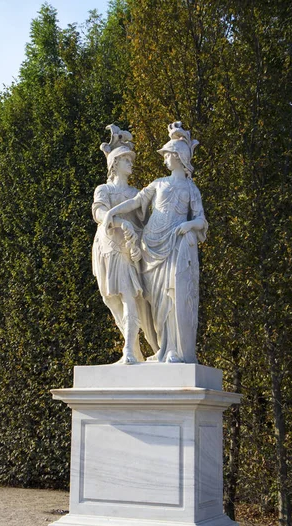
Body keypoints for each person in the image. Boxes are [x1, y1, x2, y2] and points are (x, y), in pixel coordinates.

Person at [103, 122, 208, 363]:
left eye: (168, 155)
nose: (164, 160)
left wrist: (188, 226)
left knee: (172, 298)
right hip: (150, 246)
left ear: (178, 157)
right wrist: (113, 213)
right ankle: (162, 348)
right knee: (157, 302)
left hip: (174, 245)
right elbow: (137, 202)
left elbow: (201, 220)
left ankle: (173, 350)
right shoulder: (159, 183)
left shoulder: (191, 188)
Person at [92, 125, 158, 364]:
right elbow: (99, 212)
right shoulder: (105, 189)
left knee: (130, 298)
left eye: (130, 159)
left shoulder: (135, 193)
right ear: (115, 163)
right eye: (126, 159)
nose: (131, 162)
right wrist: (120, 222)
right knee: (115, 301)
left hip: (128, 252)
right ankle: (134, 350)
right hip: (108, 249)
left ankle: (129, 352)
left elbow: (147, 223)